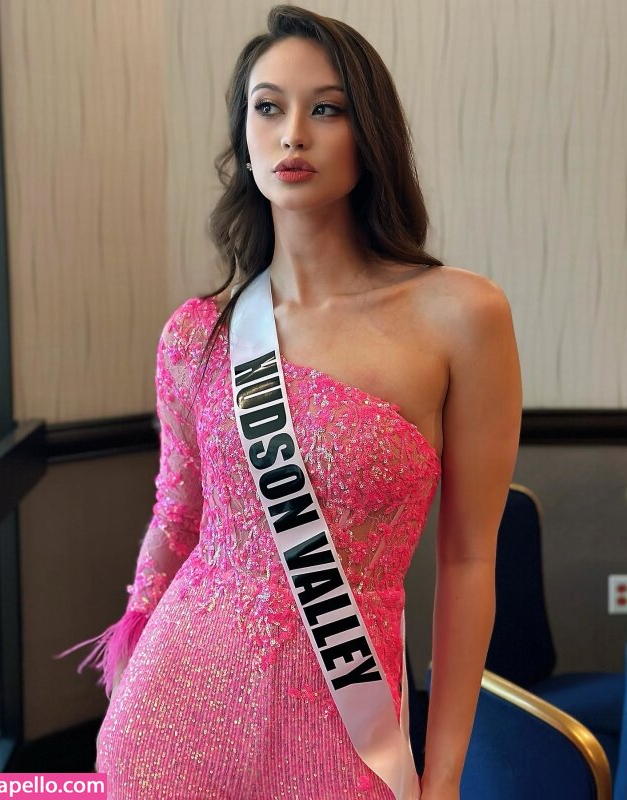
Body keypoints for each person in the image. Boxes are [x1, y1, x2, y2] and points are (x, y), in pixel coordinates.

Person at [56, 5, 522, 799]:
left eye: (326, 109)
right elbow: (176, 518)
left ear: (369, 134)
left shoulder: (462, 316)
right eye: (268, 107)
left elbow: (469, 559)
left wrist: (444, 776)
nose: (293, 134)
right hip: (170, 721)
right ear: (244, 136)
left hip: (348, 729)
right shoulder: (197, 334)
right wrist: (128, 665)